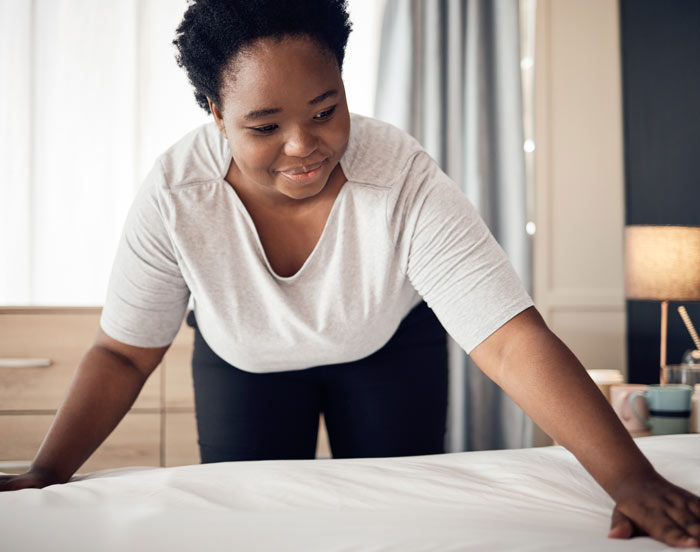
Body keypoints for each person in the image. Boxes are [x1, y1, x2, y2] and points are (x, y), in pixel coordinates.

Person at [1, 0, 699, 547]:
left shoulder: (401, 175)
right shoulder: (177, 195)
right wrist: (47, 474)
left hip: (387, 349)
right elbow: (124, 352)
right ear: (215, 115)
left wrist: (629, 478)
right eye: (264, 126)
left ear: (342, 85)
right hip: (245, 359)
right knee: (249, 531)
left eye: (325, 110)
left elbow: (509, 339)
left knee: (406, 523)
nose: (303, 146)